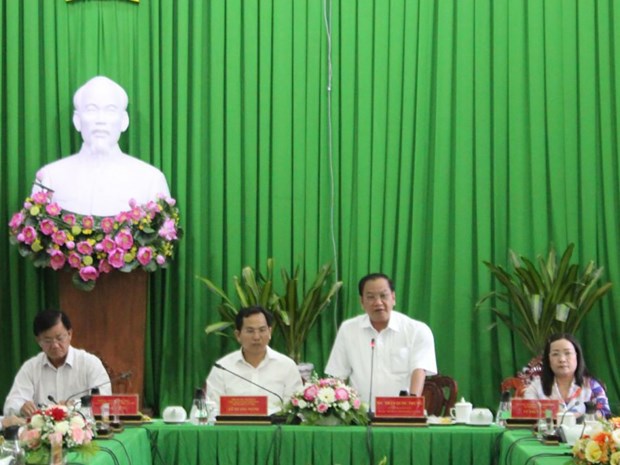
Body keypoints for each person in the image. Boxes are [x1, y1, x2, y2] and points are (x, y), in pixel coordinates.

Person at [33, 76, 170, 216]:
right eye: (91, 109)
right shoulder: (50, 178)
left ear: (124, 121)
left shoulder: (151, 180)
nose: (100, 120)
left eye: (110, 110)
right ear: (77, 120)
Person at [325, 273, 437, 410]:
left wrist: (410, 409)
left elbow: (419, 371)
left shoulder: (417, 330)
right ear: (362, 302)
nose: (378, 302)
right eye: (370, 297)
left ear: (393, 298)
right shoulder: (348, 330)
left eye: (383, 296)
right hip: (358, 415)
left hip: (400, 415)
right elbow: (338, 375)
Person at [3, 310, 111, 417]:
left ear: (70, 334)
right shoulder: (30, 368)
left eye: (60, 338)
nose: (55, 345)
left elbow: (103, 402)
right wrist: (21, 407)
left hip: (84, 431)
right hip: (43, 432)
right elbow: (11, 405)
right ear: (38, 341)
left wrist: (75, 406)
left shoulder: (90, 363)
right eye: (48, 341)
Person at [206, 306, 303, 415]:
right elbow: (211, 409)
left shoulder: (287, 366)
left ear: (270, 332)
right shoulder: (223, 368)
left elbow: (295, 409)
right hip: (233, 430)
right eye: (250, 331)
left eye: (262, 330)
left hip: (275, 430)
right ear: (238, 335)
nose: (257, 337)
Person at [523, 333, 610, 417]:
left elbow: (605, 412)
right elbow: (528, 414)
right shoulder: (536, 387)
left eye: (567, 353)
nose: (562, 359)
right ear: (548, 360)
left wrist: (578, 418)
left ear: (577, 356)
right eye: (555, 354)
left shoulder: (591, 385)